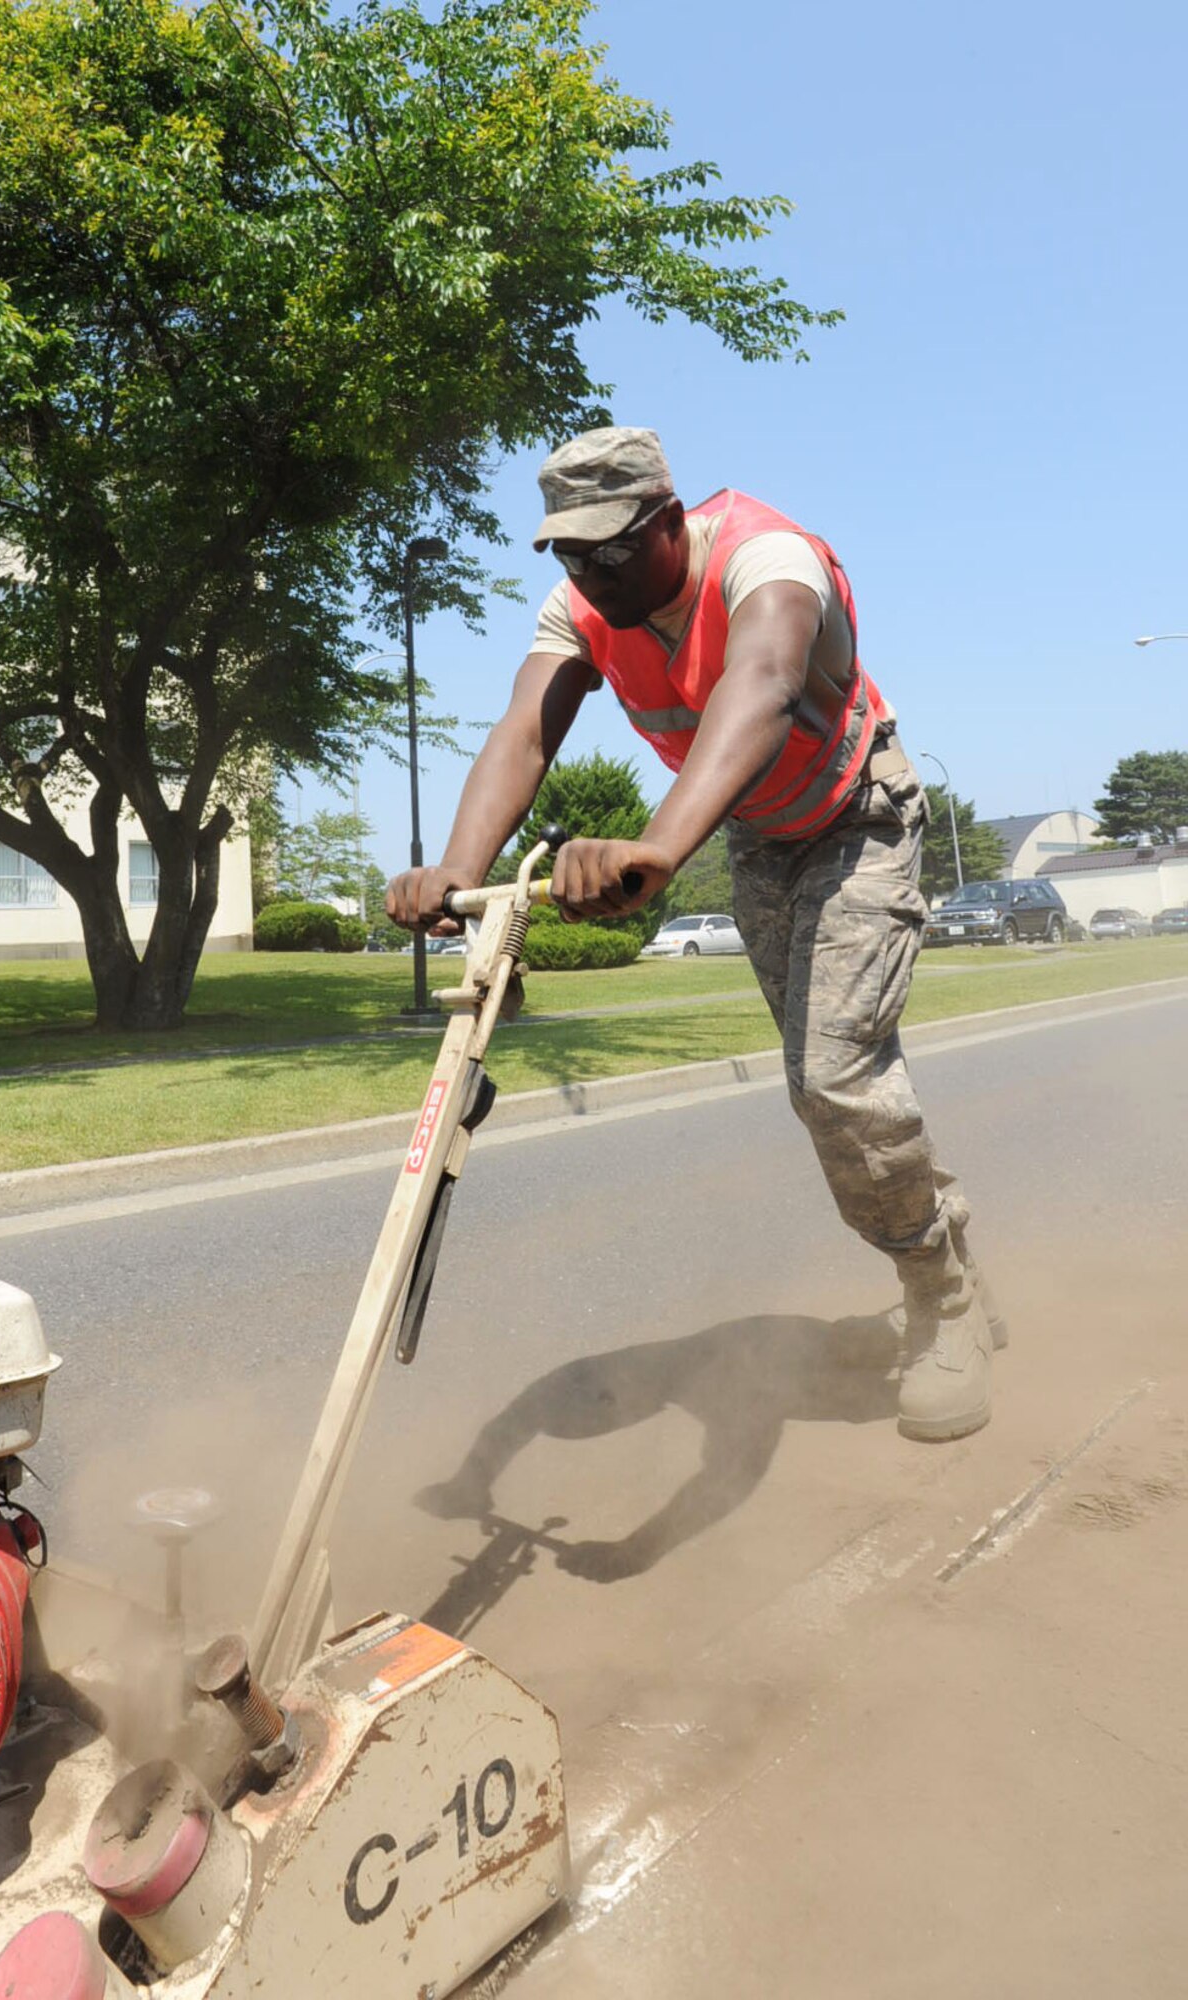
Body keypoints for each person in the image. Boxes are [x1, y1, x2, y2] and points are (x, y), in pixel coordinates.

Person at [386, 426, 1004, 1442]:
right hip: (763, 839)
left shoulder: (766, 557)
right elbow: (526, 731)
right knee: (826, 1091)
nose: (593, 574)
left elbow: (759, 683)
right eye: (573, 555)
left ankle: (941, 1299)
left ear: (668, 522)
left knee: (835, 1077)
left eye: (612, 549)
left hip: (859, 818)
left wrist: (658, 848)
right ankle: (941, 1246)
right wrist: (458, 871)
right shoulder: (577, 606)